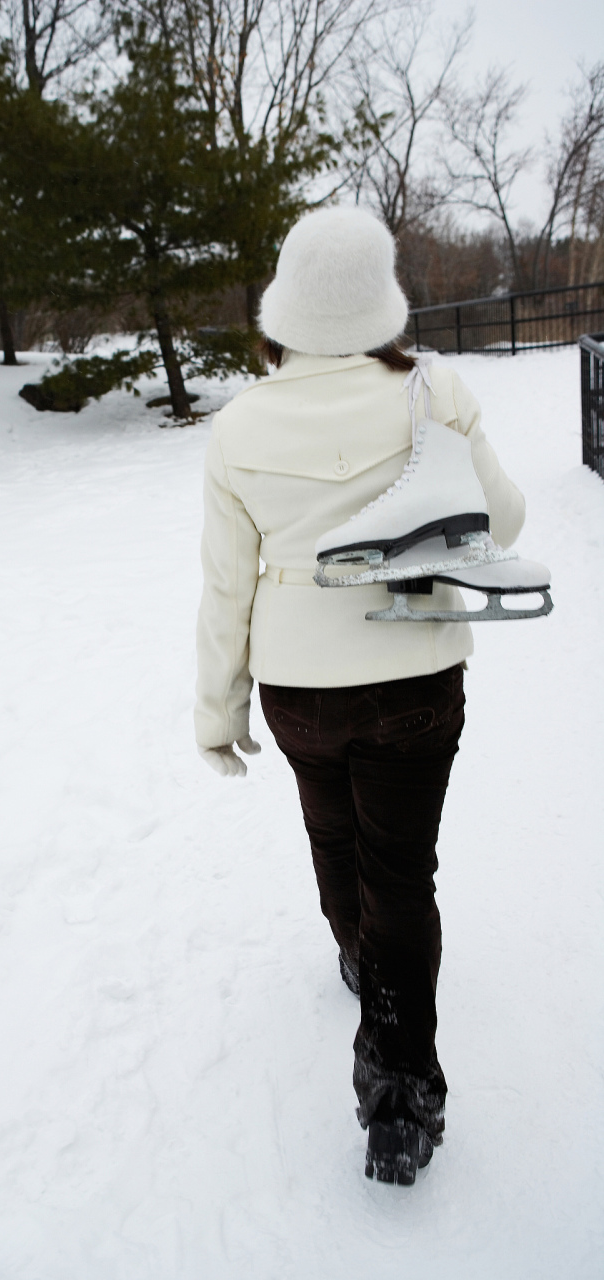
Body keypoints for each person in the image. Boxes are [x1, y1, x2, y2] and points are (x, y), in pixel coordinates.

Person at [194, 206, 525, 1184]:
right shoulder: (433, 391)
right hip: (414, 675)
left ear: (284, 305)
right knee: (401, 868)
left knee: (332, 832)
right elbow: (500, 518)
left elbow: (227, 583)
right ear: (381, 301)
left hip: (299, 686)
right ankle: (399, 1088)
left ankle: (356, 952)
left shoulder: (239, 425)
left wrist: (218, 709)